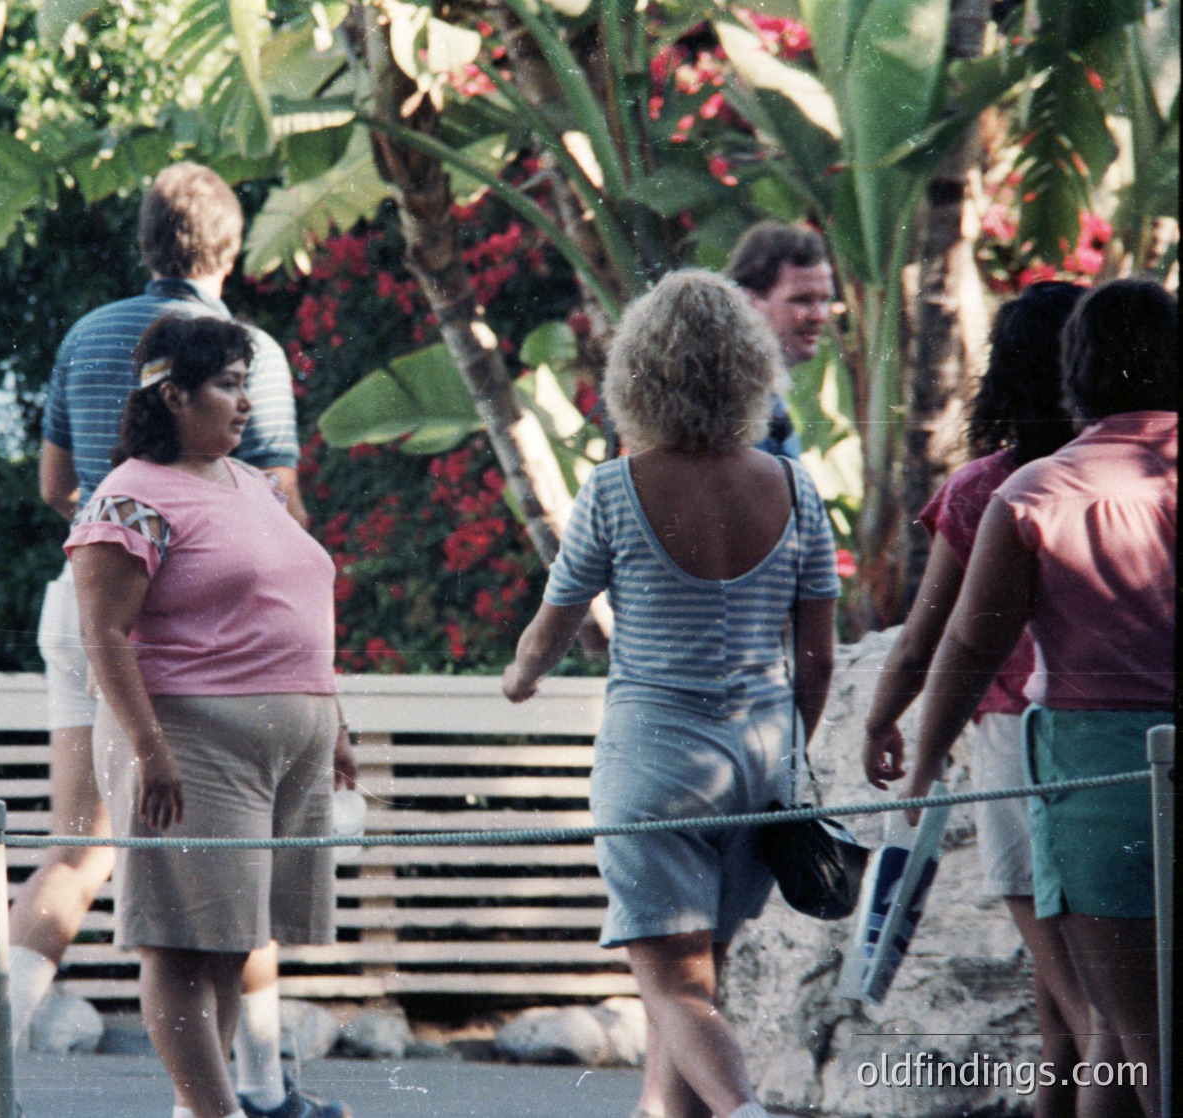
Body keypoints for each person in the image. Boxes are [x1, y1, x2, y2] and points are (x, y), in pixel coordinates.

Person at [0, 162, 329, 1118]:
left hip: (79, 594)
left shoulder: (85, 335)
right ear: (229, 251)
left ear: (147, 242)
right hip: (186, 632)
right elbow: (275, 502)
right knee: (224, 858)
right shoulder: (254, 352)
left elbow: (52, 486)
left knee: (76, 849)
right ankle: (256, 1092)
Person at [501, 271, 839, 1118]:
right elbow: (819, 658)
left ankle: (745, 1112)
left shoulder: (617, 489)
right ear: (749, 374)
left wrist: (520, 679)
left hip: (653, 761)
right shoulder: (796, 489)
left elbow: (552, 625)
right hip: (757, 767)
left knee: (672, 986)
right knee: (698, 982)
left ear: (638, 374)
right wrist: (788, 742)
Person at [895, 278, 1175, 1118]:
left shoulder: (1034, 493)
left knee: (1130, 1035)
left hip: (1091, 770)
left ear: (1076, 373)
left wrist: (920, 766)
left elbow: (970, 645)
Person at [68, 315, 355, 1118]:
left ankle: (201, 1109)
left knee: (232, 943)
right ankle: (214, 1111)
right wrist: (151, 748)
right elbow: (103, 632)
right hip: (190, 745)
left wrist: (336, 721)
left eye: (243, 384)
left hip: (279, 750)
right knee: (180, 942)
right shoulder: (129, 495)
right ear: (173, 394)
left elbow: (291, 608)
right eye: (227, 385)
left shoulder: (251, 484)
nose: (244, 405)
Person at [862, 282, 1096, 1118]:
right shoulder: (1137, 476)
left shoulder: (986, 490)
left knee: (1087, 1002)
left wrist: (888, 724)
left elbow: (930, 641)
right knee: (1063, 987)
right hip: (1116, 741)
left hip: (1011, 746)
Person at [725, 221, 837, 457]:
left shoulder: (766, 395)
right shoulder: (733, 405)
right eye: (802, 300)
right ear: (749, 301)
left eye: (825, 300)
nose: (819, 316)